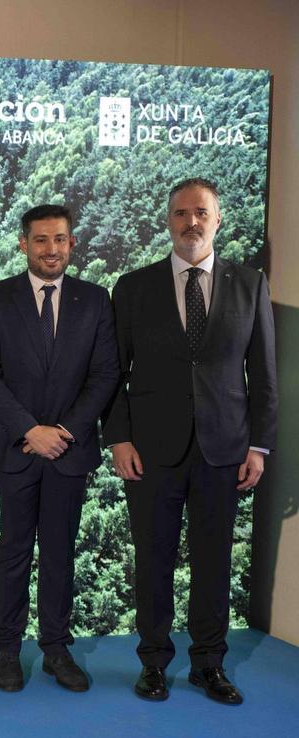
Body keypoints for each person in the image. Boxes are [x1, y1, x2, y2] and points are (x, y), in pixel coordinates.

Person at [104, 178, 277, 705]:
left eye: (201, 212)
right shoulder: (133, 287)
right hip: (151, 451)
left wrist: (259, 446)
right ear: (168, 221)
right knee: (153, 559)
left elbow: (264, 375)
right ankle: (153, 663)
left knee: (214, 562)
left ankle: (209, 664)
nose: (191, 222)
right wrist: (119, 439)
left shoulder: (250, 285)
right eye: (181, 213)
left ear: (217, 219)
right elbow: (113, 373)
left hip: (225, 450)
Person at [0, 204, 118, 693]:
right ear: (23, 244)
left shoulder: (95, 300)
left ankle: (56, 649)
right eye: (40, 240)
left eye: (59, 239)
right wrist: (29, 430)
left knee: (59, 551)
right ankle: (7, 650)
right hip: (16, 447)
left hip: (69, 450)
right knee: (12, 550)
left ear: (72, 243)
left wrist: (65, 431)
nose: (51, 249)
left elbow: (105, 375)